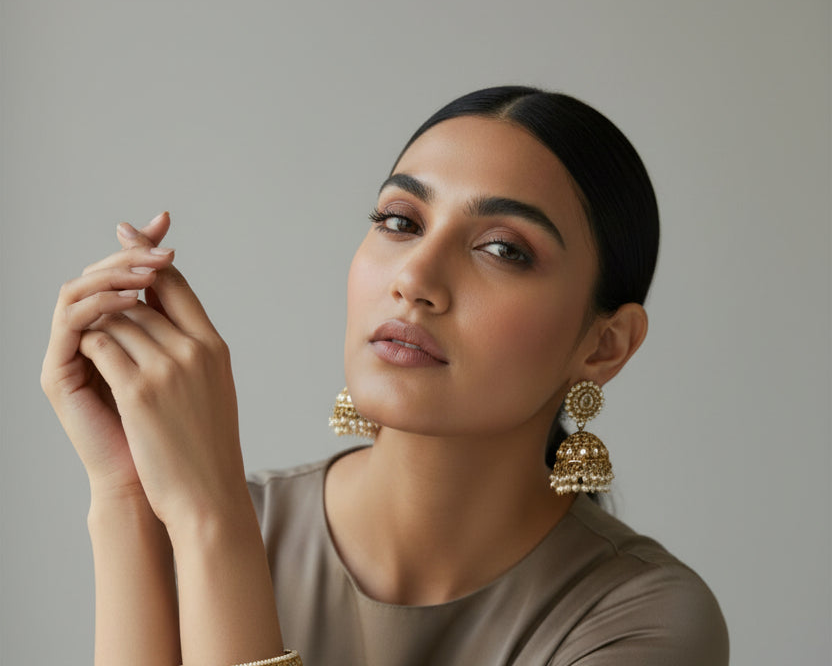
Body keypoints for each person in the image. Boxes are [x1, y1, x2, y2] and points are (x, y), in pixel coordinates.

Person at [41, 86, 729, 665]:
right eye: (400, 220)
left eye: (501, 249)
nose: (415, 279)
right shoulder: (195, 515)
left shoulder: (647, 619)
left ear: (605, 346)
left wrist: (213, 525)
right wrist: (127, 495)